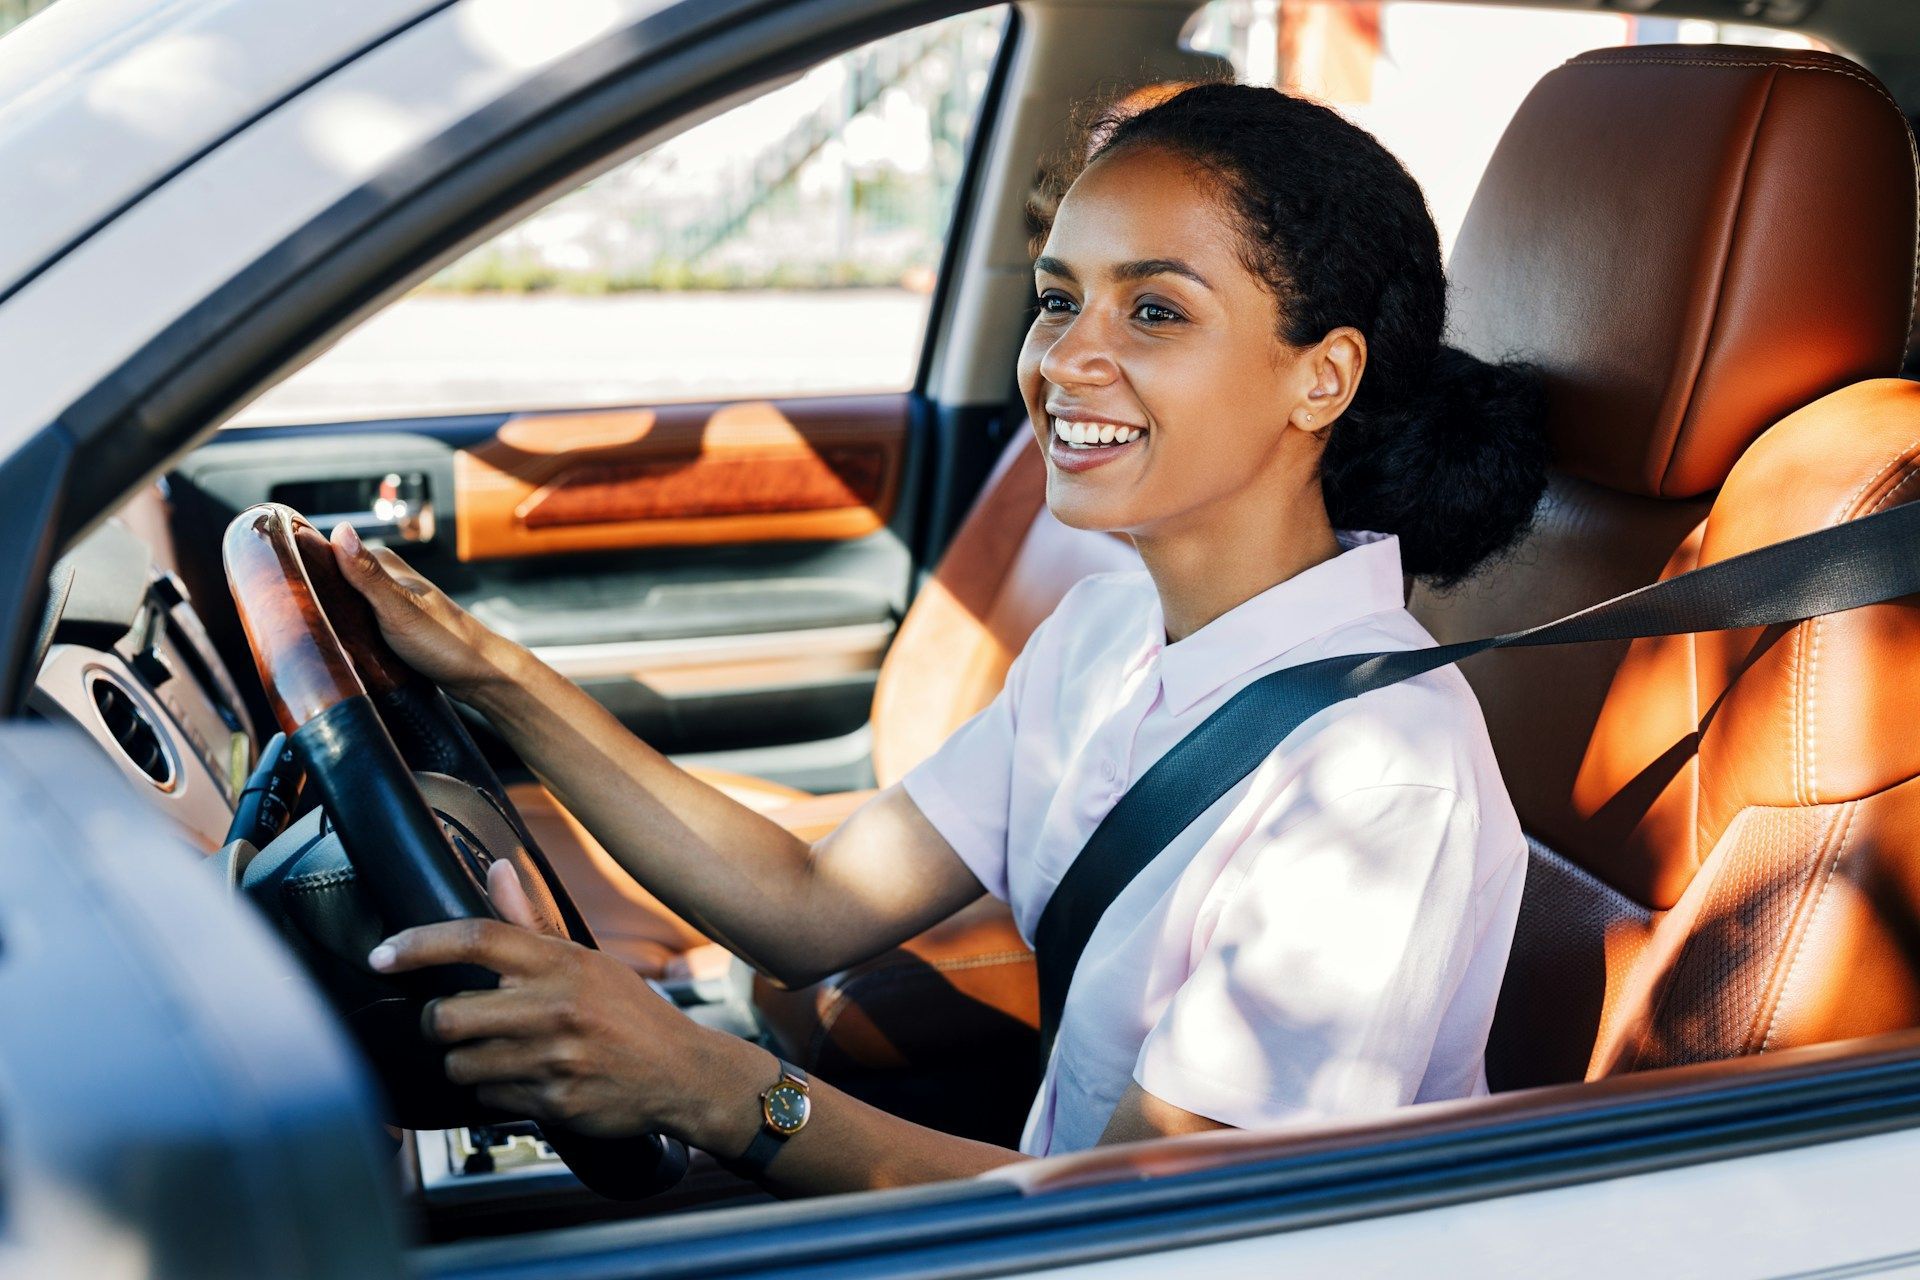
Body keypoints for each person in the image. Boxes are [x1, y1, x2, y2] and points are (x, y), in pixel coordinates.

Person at [340, 81, 1547, 1195]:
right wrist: (487, 671)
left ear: (1323, 378)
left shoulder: (1377, 772)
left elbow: (1155, 1225)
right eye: (1059, 298)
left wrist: (706, 1081)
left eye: (1156, 309)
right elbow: (808, 901)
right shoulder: (1108, 630)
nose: (1066, 358)